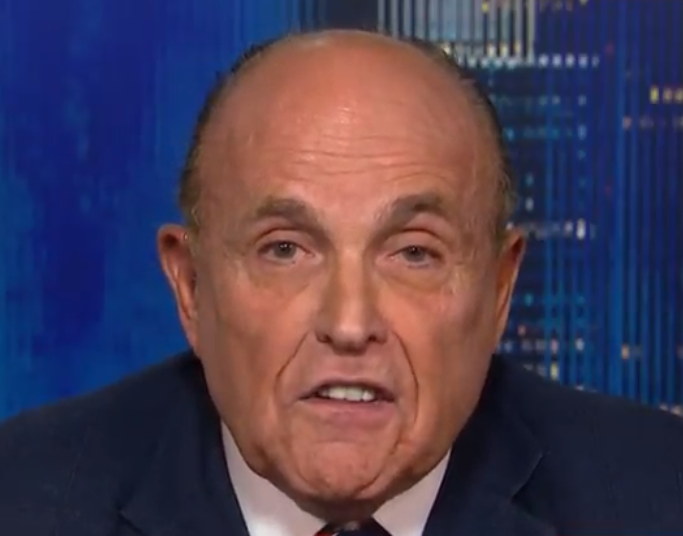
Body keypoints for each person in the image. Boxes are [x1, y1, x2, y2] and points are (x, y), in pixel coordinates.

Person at [1, 29, 682, 536]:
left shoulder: (659, 497)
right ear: (190, 286)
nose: (350, 323)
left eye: (413, 254)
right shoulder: (23, 499)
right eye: (285, 250)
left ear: (499, 290)